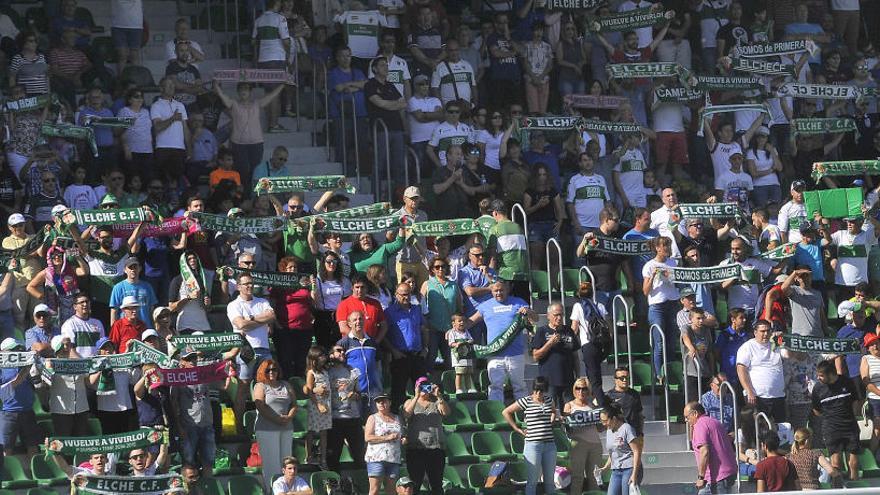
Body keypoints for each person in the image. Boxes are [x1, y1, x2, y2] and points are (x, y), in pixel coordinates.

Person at [466, 280, 537, 401]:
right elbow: (470, 322)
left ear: (507, 289)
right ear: (491, 291)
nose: (499, 293)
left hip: (516, 353)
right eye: (496, 290)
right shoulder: (485, 306)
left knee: (520, 387)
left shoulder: (519, 302)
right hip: (495, 353)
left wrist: (528, 312)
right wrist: (453, 330)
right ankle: (497, 413)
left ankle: (524, 415)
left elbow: (536, 318)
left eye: (501, 290)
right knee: (495, 387)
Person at [503, 376, 558, 495]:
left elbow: (553, 411)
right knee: (532, 480)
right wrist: (516, 428)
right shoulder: (526, 401)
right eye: (536, 390)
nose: (538, 393)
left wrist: (552, 419)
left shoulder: (549, 400)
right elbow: (506, 411)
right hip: (533, 445)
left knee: (549, 481)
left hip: (550, 444)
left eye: (541, 390)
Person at [812, 359, 861, 480]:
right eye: (818, 375)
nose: (818, 378)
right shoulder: (818, 388)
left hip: (850, 425)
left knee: (853, 462)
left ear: (831, 374)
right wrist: (829, 418)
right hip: (831, 428)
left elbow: (856, 401)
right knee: (835, 462)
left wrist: (851, 416)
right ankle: (837, 487)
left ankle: (854, 485)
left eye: (821, 375)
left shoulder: (847, 382)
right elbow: (816, 410)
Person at [254, 359, 298, 492]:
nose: (272, 372)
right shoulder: (260, 386)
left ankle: (287, 491)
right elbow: (260, 405)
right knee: (271, 464)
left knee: (287, 463)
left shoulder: (286, 385)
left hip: (286, 427)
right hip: (267, 429)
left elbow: (294, 404)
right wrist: (277, 419)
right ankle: (272, 491)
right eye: (268, 370)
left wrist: (289, 417)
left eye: (274, 369)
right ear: (263, 372)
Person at [171, 347, 216, 477]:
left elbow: (223, 386)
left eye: (194, 358)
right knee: (188, 463)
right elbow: (174, 404)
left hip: (207, 424)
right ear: (182, 361)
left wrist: (228, 371)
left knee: (208, 462)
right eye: (188, 358)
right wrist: (179, 426)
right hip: (189, 425)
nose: (192, 361)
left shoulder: (203, 374)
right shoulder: (177, 378)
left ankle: (208, 489)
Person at [385, 282, 428, 411]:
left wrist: (425, 348)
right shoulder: (389, 312)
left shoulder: (416, 309)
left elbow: (424, 329)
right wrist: (393, 351)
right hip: (400, 357)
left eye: (408, 294)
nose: (406, 297)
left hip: (417, 356)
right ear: (396, 295)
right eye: (403, 294)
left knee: (424, 389)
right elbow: (384, 335)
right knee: (398, 392)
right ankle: (398, 421)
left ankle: (425, 415)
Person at [402, 376, 448, 495]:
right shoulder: (410, 401)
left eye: (427, 385)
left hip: (436, 448)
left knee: (437, 484)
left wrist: (439, 396)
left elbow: (446, 412)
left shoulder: (436, 402)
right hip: (416, 448)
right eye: (421, 385)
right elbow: (406, 414)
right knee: (415, 484)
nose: (424, 388)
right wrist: (417, 396)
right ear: (416, 387)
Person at [227, 273, 276, 383]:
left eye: (251, 283)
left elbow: (272, 317)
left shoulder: (262, 301)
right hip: (245, 351)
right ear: (238, 286)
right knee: (244, 385)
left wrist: (250, 318)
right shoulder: (233, 305)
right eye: (246, 284)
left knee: (267, 384)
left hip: (264, 349)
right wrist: (262, 321)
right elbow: (241, 325)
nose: (250, 286)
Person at [642, 236, 679, 379]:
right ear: (658, 248)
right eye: (665, 246)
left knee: (671, 341)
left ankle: (670, 373)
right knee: (659, 342)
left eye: (669, 246)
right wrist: (653, 276)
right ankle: (658, 374)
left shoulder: (673, 263)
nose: (668, 249)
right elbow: (645, 291)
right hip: (657, 306)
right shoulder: (649, 265)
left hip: (673, 303)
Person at [737, 320, 786, 422]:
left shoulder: (776, 343)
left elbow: (789, 355)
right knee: (759, 430)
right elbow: (741, 370)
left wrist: (784, 339)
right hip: (757, 397)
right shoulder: (748, 347)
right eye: (762, 331)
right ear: (755, 332)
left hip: (778, 396)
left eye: (768, 331)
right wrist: (749, 391)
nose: (766, 334)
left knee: (779, 430)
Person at [531, 302, 579, 407]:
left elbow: (575, 356)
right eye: (556, 315)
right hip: (549, 382)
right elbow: (535, 356)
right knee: (550, 412)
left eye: (561, 315)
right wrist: (549, 344)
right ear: (548, 316)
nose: (559, 318)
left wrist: (578, 376)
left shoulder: (568, 331)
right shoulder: (542, 331)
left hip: (568, 380)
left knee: (569, 412)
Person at [326, 344, 365, 472]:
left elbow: (359, 393)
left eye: (343, 350)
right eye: (338, 351)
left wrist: (355, 395)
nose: (342, 352)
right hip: (334, 419)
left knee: (359, 456)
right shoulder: (326, 372)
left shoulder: (352, 370)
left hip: (353, 418)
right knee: (333, 457)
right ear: (331, 355)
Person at [685, 401, 737, 494]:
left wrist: (701, 477)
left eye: (687, 417)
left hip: (716, 477)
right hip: (728, 473)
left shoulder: (699, 425)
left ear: (695, 413)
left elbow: (704, 452)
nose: (686, 420)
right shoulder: (715, 422)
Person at [564, 377, 603, 494]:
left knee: (595, 478)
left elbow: (600, 429)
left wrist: (603, 418)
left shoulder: (593, 405)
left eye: (584, 388)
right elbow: (567, 429)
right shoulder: (569, 406)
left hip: (595, 444)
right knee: (577, 477)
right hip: (578, 444)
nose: (581, 391)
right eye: (578, 388)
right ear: (574, 389)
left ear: (588, 390)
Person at [598, 403, 643, 495]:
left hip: (629, 468)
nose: (603, 423)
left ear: (614, 419)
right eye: (601, 421)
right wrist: (605, 468)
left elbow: (636, 451)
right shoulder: (609, 431)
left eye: (605, 421)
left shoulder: (627, 428)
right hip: (616, 470)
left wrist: (634, 474)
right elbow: (614, 452)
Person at [364, 393, 402, 495]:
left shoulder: (397, 418)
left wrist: (403, 439)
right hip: (376, 459)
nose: (381, 403)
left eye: (384, 400)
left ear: (390, 402)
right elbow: (368, 437)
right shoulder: (372, 418)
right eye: (378, 401)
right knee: (374, 490)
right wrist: (387, 438)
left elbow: (402, 434)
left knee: (391, 491)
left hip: (393, 459)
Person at [605, 366, 645, 438]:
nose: (624, 380)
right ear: (615, 380)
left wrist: (640, 433)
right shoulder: (608, 396)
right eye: (621, 378)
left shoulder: (634, 394)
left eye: (627, 377)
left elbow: (640, 415)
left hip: (633, 434)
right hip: (616, 435)